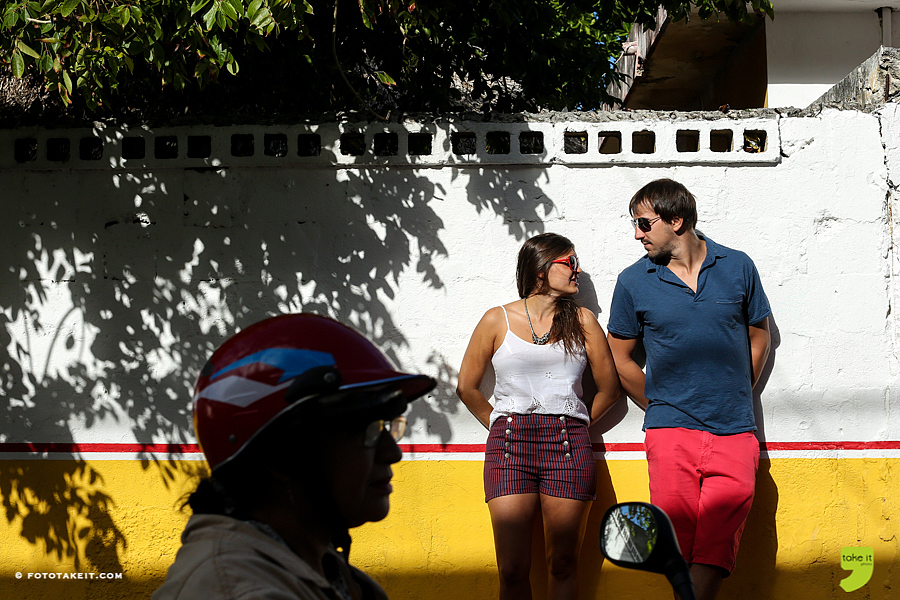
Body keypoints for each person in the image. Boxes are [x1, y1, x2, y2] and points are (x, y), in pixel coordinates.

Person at [152, 313, 436, 600]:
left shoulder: (322, 571)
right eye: (369, 430)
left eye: (388, 426)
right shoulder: (240, 591)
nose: (393, 453)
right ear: (280, 453)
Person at [606, 179, 771, 600]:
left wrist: (735, 389)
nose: (637, 234)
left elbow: (759, 336)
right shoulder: (633, 281)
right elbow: (620, 358)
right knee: (677, 546)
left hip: (735, 430)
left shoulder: (737, 266)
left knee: (717, 548)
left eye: (644, 223)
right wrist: (660, 403)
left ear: (676, 219)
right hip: (670, 432)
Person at [456, 233, 621, 600]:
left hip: (567, 446)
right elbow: (467, 387)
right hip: (509, 447)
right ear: (542, 269)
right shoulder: (495, 319)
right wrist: (503, 424)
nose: (577, 270)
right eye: (569, 263)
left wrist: (571, 420)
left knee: (562, 562)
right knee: (512, 569)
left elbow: (610, 390)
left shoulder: (583, 321)